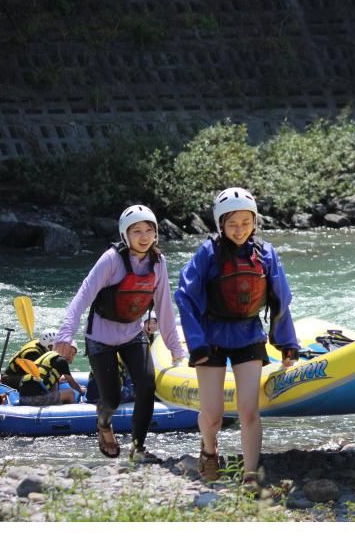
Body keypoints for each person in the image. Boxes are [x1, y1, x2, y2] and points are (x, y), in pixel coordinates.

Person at [175, 187, 300, 485]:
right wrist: (196, 344)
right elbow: (185, 297)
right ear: (220, 224)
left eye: (246, 222)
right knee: (213, 415)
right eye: (232, 224)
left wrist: (287, 344)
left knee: (248, 410)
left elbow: (281, 298)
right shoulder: (207, 254)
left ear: (254, 221)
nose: (240, 230)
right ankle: (209, 450)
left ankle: (250, 473)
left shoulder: (266, 254)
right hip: (211, 338)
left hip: (248, 335)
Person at [54, 205, 187, 461]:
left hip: (133, 334)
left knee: (146, 386)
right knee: (112, 400)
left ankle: (138, 448)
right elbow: (84, 295)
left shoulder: (158, 263)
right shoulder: (111, 259)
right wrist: (66, 333)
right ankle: (103, 423)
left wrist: (176, 349)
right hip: (100, 338)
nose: (144, 236)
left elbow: (165, 307)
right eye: (137, 231)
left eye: (149, 230)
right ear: (125, 235)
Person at [18, 340, 86, 406]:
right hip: (36, 399)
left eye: (73, 354)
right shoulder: (62, 361)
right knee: (70, 393)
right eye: (69, 352)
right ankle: (72, 412)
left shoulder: (47, 355)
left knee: (56, 392)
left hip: (22, 398)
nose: (70, 356)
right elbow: (72, 383)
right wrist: (81, 390)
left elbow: (47, 378)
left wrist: (62, 380)